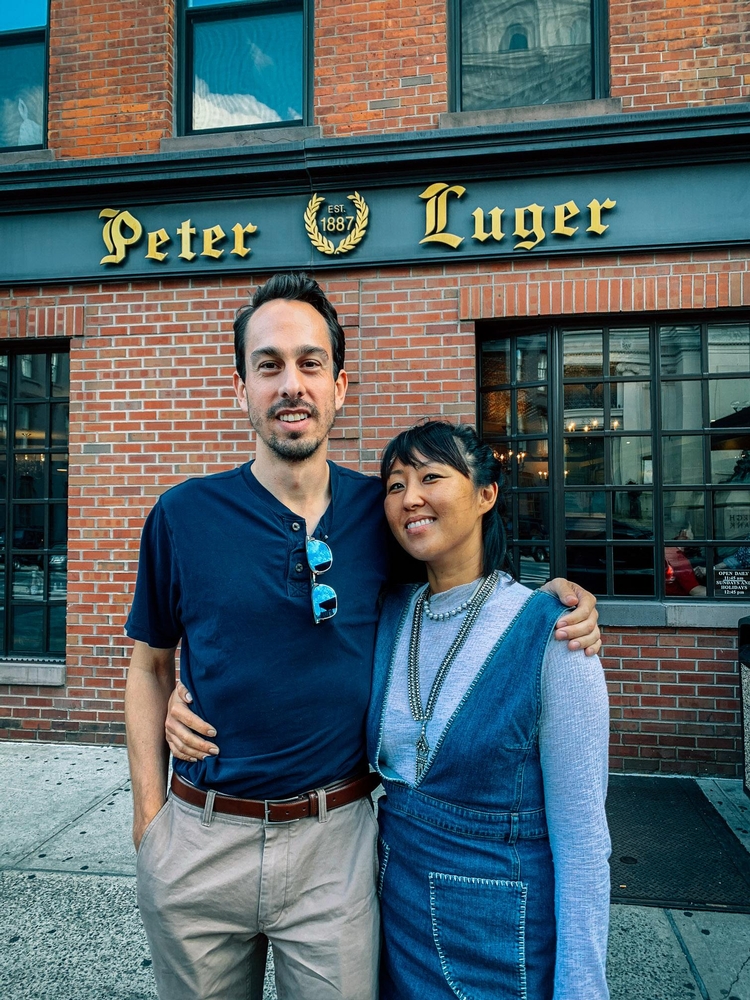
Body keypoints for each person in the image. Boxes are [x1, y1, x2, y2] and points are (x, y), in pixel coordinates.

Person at [126, 272, 602, 1000]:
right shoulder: (182, 515)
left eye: (310, 363)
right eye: (269, 365)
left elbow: (459, 581)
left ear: (340, 386)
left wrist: (554, 598)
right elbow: (150, 663)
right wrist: (149, 823)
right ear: (241, 388)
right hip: (200, 836)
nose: (292, 384)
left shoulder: (378, 513)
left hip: (336, 842)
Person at [370, 420, 610, 999]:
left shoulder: (554, 634)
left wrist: (583, 988)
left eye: (431, 477)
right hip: (390, 921)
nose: (411, 498)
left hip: (501, 940)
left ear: (486, 495)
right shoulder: (386, 614)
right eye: (396, 485)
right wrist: (185, 694)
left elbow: (583, 840)